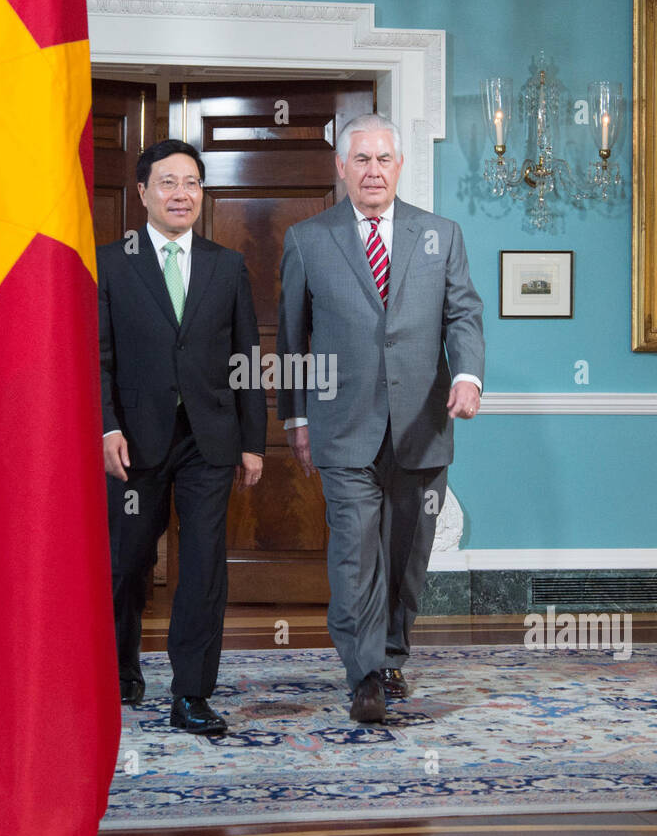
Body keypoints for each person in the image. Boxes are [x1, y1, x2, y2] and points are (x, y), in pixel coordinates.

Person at [276, 114, 485, 724]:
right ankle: (363, 672)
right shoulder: (307, 240)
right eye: (360, 160)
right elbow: (293, 340)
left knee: (406, 553)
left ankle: (393, 653)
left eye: (383, 159)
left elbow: (463, 315)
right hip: (342, 429)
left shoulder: (440, 234)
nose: (372, 170)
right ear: (341, 168)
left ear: (399, 166)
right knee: (353, 554)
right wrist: (295, 419)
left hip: (423, 426)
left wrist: (468, 376)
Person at [98, 139, 266, 735]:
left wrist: (252, 440)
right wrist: (106, 426)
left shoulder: (226, 265)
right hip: (133, 445)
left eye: (191, 183)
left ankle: (192, 694)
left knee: (203, 567)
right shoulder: (111, 262)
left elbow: (246, 354)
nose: (181, 194)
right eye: (167, 183)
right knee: (126, 563)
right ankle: (120, 668)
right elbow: (98, 356)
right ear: (143, 192)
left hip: (208, 441)